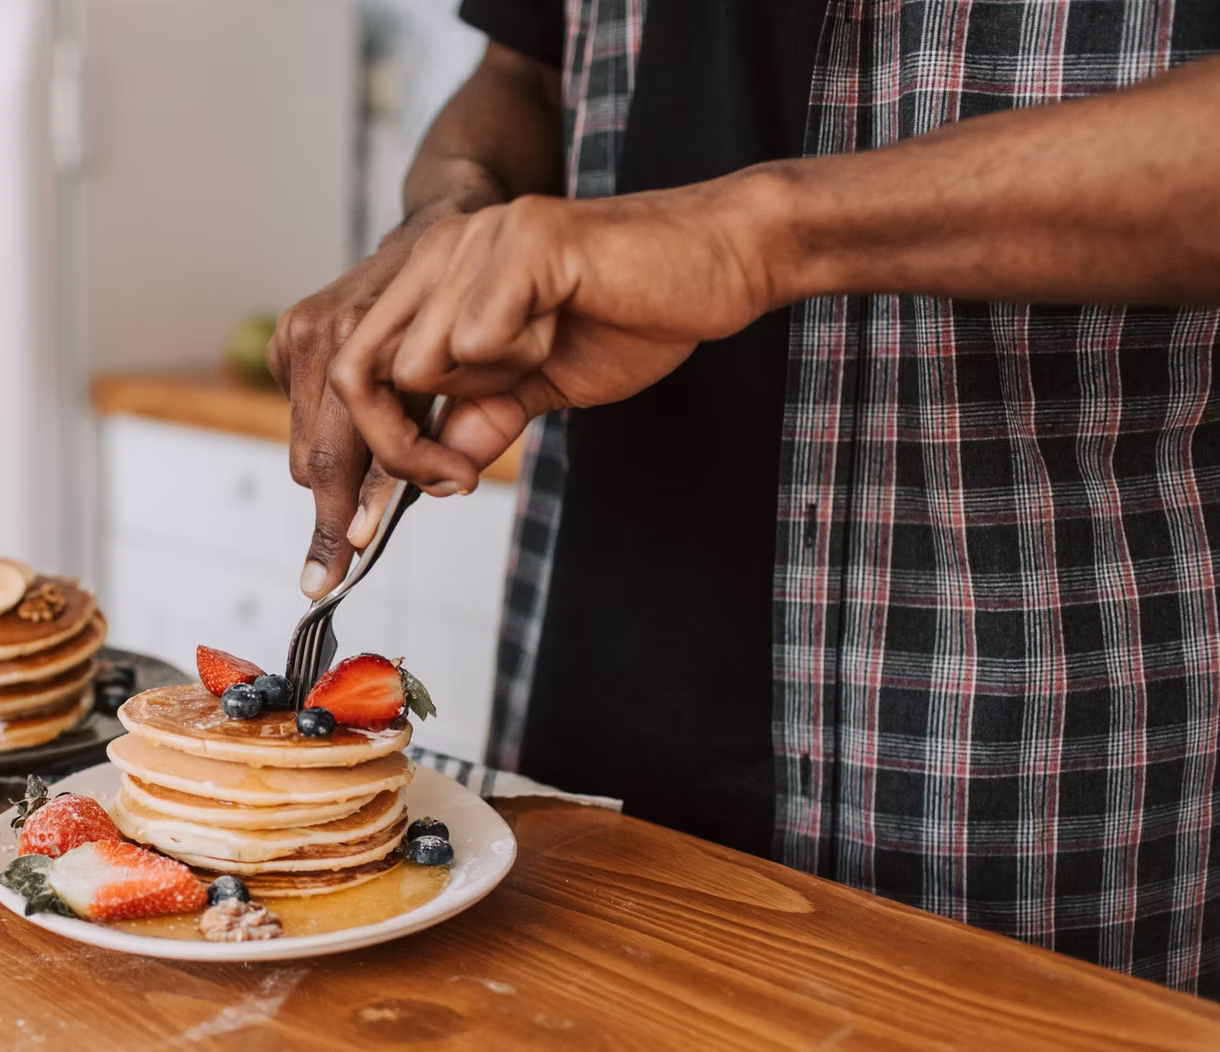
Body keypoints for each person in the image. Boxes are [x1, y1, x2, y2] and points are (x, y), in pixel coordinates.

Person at [268, 0, 1220, 994]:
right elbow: (523, 75)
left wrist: (753, 231)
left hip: (1034, 771)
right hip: (593, 711)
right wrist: (452, 220)